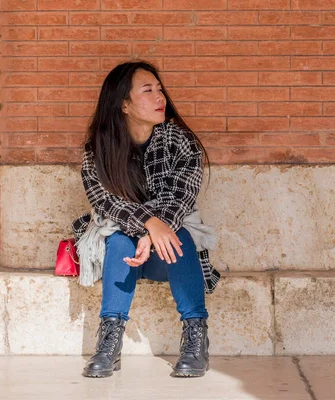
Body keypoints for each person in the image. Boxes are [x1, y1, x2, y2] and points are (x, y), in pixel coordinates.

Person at [71, 61, 221, 378]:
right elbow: (105, 201)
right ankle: (109, 342)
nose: (160, 96)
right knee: (119, 238)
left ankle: (196, 338)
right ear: (124, 104)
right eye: (148, 90)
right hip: (122, 257)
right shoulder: (97, 149)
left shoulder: (181, 142)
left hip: (169, 256)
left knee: (177, 232)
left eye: (159, 88)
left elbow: (180, 199)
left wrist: (154, 230)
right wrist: (149, 225)